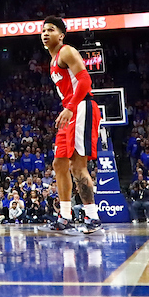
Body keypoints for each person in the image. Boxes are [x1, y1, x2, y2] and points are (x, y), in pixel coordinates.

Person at [40, 15, 102, 235]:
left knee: (77, 166)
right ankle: (65, 216)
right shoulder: (52, 61)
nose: (45, 33)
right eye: (43, 30)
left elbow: (85, 81)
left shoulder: (67, 51)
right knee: (59, 164)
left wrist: (70, 107)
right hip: (70, 110)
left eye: (51, 30)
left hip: (82, 107)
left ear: (61, 35)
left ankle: (92, 216)